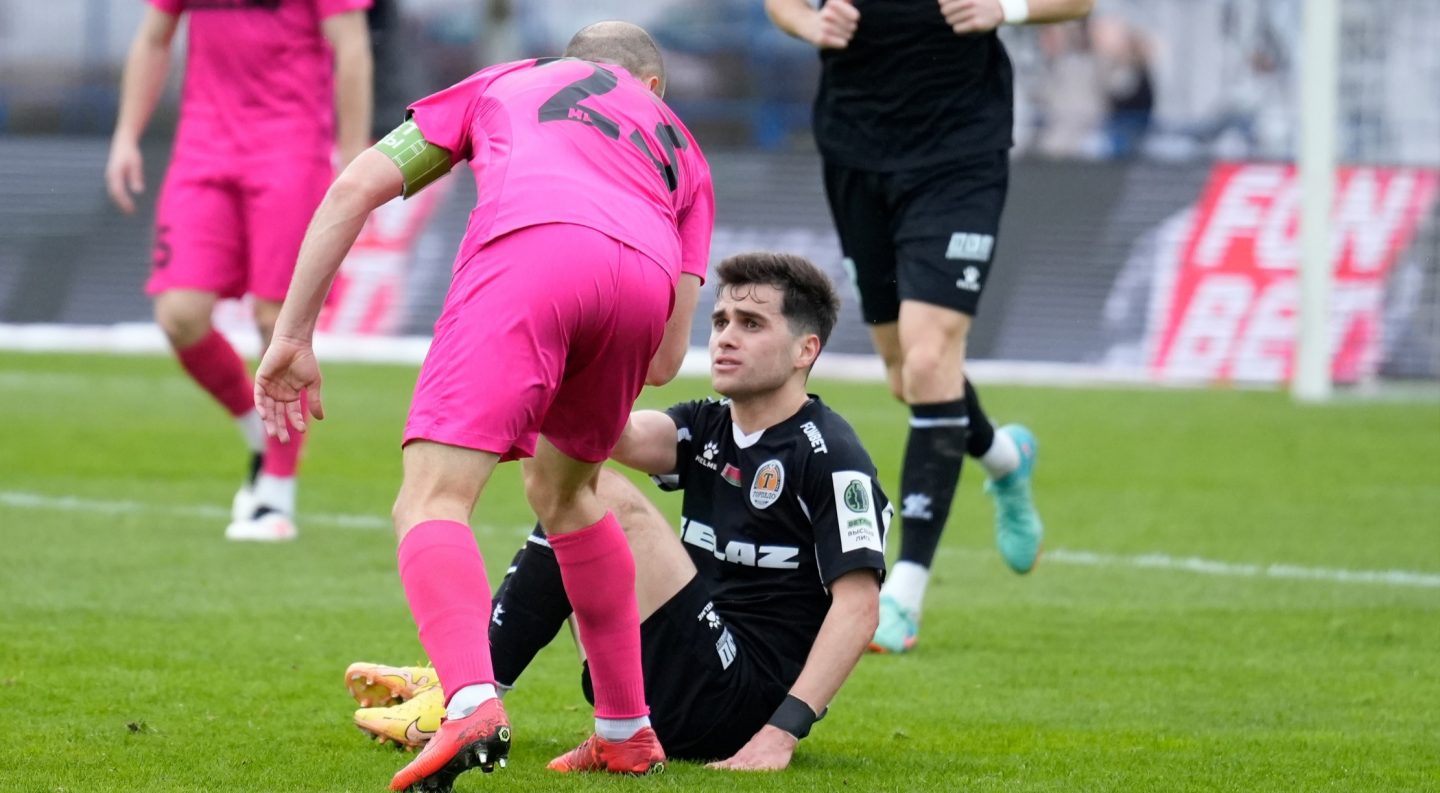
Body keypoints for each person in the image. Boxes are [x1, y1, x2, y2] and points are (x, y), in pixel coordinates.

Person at [253, 21, 714, 791]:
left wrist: (294, 333)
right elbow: (667, 363)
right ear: (653, 88)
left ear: (568, 63)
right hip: (643, 281)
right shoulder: (685, 151)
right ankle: (625, 729)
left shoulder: (509, 79)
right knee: (569, 495)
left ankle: (469, 701)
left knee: (432, 496)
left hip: (532, 249)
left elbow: (354, 188)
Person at [344, 252, 891, 772]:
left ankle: (465, 697)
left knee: (592, 494)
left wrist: (781, 733)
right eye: (721, 320)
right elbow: (618, 434)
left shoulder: (830, 455)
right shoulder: (708, 424)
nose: (725, 337)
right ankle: (466, 682)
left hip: (740, 702)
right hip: (672, 678)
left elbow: (860, 608)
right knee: (572, 484)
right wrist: (551, 344)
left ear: (805, 350)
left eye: (751, 324)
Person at [764, 0, 1094, 653]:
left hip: (958, 152)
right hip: (856, 148)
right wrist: (809, 24)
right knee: (905, 375)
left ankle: (904, 594)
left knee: (929, 357)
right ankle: (1005, 458)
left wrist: (1007, 7)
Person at [104, 0, 373, 543]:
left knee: (278, 320)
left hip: (289, 148)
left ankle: (276, 492)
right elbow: (154, 38)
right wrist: (126, 135)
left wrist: (354, 160)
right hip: (202, 151)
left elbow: (352, 47)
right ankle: (257, 428)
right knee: (180, 315)